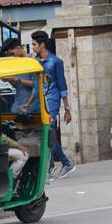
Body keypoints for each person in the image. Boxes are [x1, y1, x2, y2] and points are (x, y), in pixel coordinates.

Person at [32, 30, 75, 179]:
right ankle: (52, 167)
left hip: (52, 101)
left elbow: (62, 86)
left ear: (42, 45)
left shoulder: (56, 62)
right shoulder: (35, 61)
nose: (33, 47)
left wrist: (67, 109)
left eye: (34, 44)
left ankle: (64, 163)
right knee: (46, 135)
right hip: (41, 101)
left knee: (49, 133)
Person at [2, 37, 38, 116]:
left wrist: (17, 80)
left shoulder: (33, 62)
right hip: (18, 106)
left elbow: (37, 84)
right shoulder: (16, 64)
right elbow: (17, 86)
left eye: (12, 53)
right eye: (8, 55)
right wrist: (9, 79)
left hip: (33, 109)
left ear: (19, 48)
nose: (11, 57)